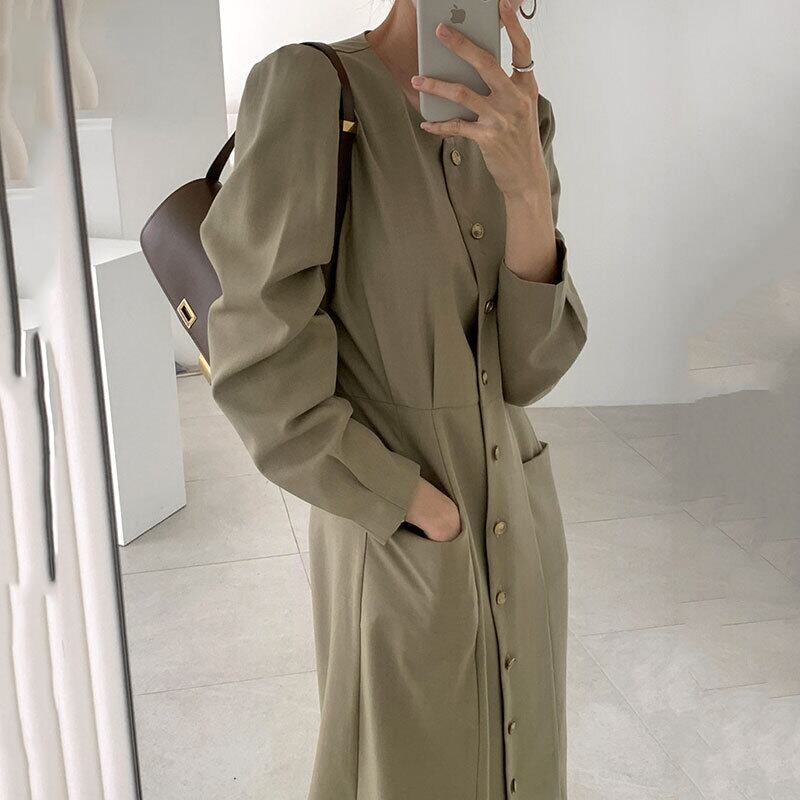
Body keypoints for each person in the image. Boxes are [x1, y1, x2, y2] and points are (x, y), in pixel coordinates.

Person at [199, 0, 588, 797]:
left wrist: (527, 193)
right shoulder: (314, 89)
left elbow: (530, 372)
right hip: (400, 542)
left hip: (521, 528)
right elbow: (255, 363)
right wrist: (411, 502)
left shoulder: (522, 120)